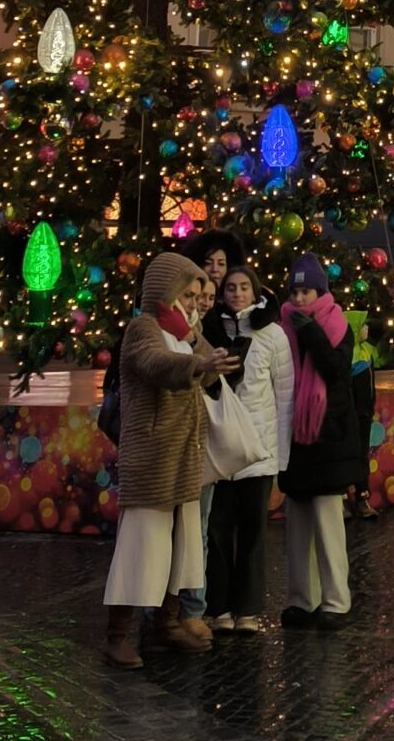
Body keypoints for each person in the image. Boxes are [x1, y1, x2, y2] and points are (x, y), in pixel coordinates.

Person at [101, 251, 236, 668]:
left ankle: (167, 623)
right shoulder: (143, 329)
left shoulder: (185, 330)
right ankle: (117, 633)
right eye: (189, 292)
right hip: (153, 457)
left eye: (199, 294)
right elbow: (156, 365)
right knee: (142, 547)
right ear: (167, 289)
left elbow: (212, 370)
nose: (196, 301)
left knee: (181, 548)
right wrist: (196, 360)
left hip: (183, 457)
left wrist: (197, 344)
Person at [201, 264, 294, 630]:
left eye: (243, 287)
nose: (237, 293)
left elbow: (284, 395)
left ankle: (249, 608)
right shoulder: (211, 331)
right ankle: (219, 606)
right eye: (230, 288)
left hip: (259, 449)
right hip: (222, 447)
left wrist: (281, 459)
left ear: (255, 292)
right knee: (218, 529)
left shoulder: (274, 335)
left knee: (254, 532)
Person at [274, 253, 362, 626]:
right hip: (295, 437)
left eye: (306, 290)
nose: (300, 298)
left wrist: (309, 332)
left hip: (330, 436)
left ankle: (336, 600)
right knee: (298, 525)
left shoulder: (338, 325)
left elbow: (335, 369)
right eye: (295, 291)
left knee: (328, 523)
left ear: (321, 291)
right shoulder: (281, 328)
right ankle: (301, 598)